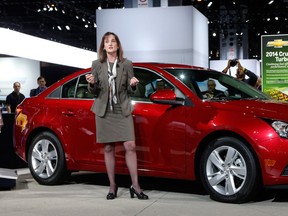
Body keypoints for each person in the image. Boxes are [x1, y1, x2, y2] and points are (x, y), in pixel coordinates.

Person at [85, 32, 148, 200]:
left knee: (130, 145)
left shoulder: (127, 64)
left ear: (118, 45)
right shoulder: (96, 65)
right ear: (103, 46)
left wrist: (133, 85)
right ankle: (112, 186)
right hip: (104, 110)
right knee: (108, 148)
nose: (110, 44)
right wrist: (91, 83)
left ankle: (135, 186)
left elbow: (130, 89)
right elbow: (94, 92)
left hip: (122, 108)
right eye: (107, 41)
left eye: (113, 41)